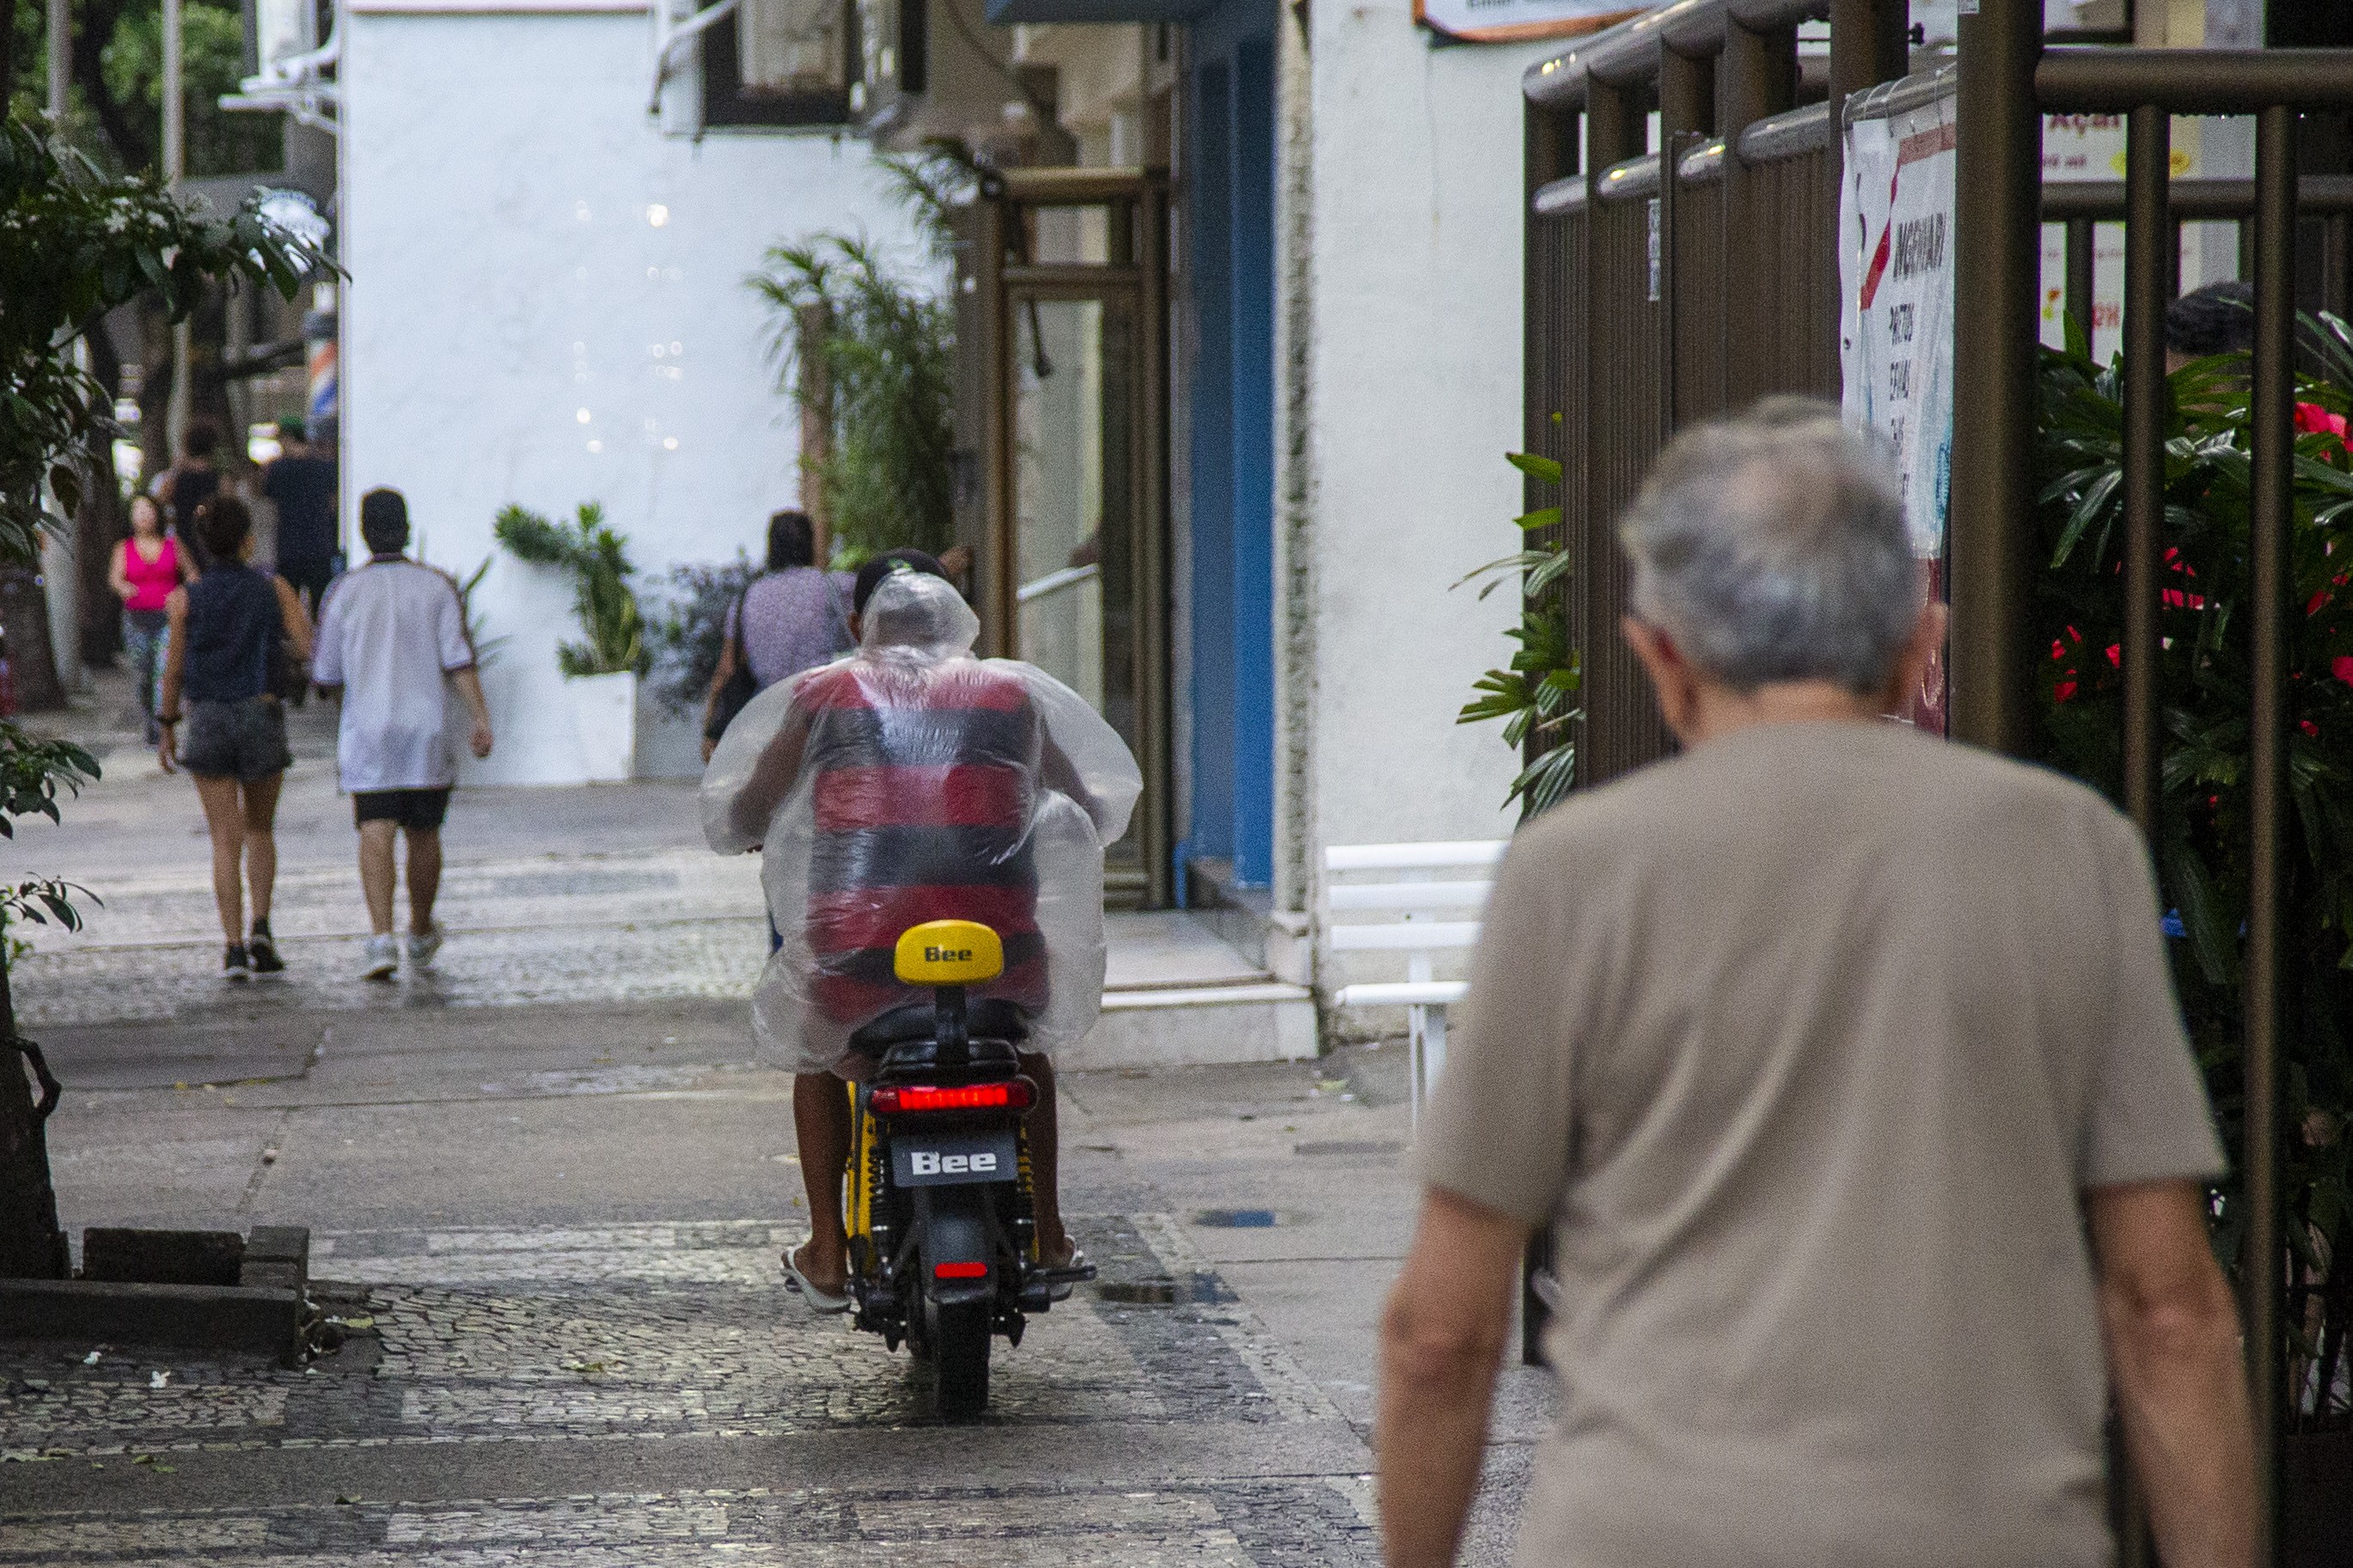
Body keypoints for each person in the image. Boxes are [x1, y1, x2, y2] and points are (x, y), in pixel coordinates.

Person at [1377, 400, 2255, 1568]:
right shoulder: (2064, 848)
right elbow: (2168, 1309)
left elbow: (1441, 1332)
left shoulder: (1574, 872)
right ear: (1916, 641)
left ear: (1663, 655)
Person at [701, 558, 1140, 1309]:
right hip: (999, 965)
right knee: (1027, 1050)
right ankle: (1050, 1234)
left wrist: (764, 825)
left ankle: (829, 1250)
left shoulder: (823, 697)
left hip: (861, 973)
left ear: (856, 626)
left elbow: (741, 814)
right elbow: (1094, 808)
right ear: (957, 618)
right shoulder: (1011, 696)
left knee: (817, 1053)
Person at [312, 487, 496, 982]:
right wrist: (481, 717)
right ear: (408, 528)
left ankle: (380, 938)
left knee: (375, 830)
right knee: (424, 833)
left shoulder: (344, 592)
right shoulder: (437, 588)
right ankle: (418, 929)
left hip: (369, 732)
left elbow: (326, 675)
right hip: (426, 731)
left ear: (364, 531)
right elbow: (458, 660)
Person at [156, 496, 314, 980]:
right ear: (248, 539)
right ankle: (262, 929)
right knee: (260, 829)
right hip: (260, 712)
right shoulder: (275, 588)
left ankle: (232, 948)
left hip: (206, 718)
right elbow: (307, 645)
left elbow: (175, 667)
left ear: (203, 544)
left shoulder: (186, 598)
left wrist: (166, 725)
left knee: (224, 839)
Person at [700, 509, 854, 762]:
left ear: (771, 548)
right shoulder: (836, 586)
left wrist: (710, 729)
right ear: (811, 544)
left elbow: (727, 669)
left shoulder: (746, 599)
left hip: (767, 721)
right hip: (824, 719)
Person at [108, 493, 191, 745]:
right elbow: (115, 578)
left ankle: (161, 725)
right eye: (138, 509)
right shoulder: (123, 547)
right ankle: (149, 718)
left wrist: (181, 594)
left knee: (163, 672)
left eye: (148, 509)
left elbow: (192, 576)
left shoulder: (173, 544)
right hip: (136, 619)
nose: (144, 514)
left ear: (158, 513)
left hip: (167, 618)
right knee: (143, 674)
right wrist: (124, 588)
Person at [263, 416, 340, 618]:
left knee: (287, 611)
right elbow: (333, 504)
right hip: (319, 547)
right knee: (321, 610)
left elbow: (267, 494)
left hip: (289, 549)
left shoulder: (278, 469)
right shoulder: (324, 468)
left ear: (289, 438)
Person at [156, 418, 223, 565]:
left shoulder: (179, 477)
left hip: (183, 539)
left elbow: (160, 499)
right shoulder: (217, 478)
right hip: (211, 540)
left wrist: (175, 468)